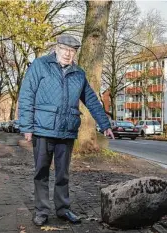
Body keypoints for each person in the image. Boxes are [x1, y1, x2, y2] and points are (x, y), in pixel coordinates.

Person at [18, 34, 115, 226]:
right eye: (65, 50)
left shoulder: (79, 73)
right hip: (43, 129)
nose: (68, 54)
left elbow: (92, 100)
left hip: (67, 131)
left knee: (63, 174)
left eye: (72, 51)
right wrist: (27, 127)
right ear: (56, 48)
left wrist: (105, 125)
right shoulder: (40, 65)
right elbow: (27, 95)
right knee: (41, 172)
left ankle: (63, 209)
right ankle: (41, 211)